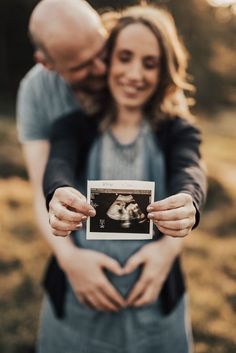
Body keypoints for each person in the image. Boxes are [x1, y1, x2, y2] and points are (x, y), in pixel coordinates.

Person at [42, 4, 207, 353]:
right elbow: (58, 164)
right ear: (108, 62)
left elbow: (189, 170)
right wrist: (59, 192)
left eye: (150, 63)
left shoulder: (178, 132)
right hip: (76, 306)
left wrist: (189, 203)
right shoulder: (73, 126)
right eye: (125, 57)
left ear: (165, 71)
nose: (135, 74)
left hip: (155, 302)